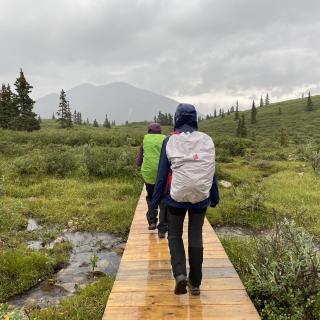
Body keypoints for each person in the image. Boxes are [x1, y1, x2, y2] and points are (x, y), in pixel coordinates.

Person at [151, 103, 220, 295]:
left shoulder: (170, 141)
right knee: (195, 235)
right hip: (201, 197)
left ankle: (180, 274)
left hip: (176, 198)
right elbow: (211, 172)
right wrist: (214, 197)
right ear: (195, 119)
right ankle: (196, 282)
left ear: (177, 119)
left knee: (174, 235)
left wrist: (153, 205)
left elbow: (161, 177)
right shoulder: (207, 140)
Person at [136, 122, 168, 238]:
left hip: (148, 173)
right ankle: (162, 228)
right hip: (162, 173)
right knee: (163, 199)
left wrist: (139, 165)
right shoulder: (165, 139)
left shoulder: (145, 140)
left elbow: (139, 160)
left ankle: (152, 221)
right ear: (160, 131)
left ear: (149, 130)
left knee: (151, 196)